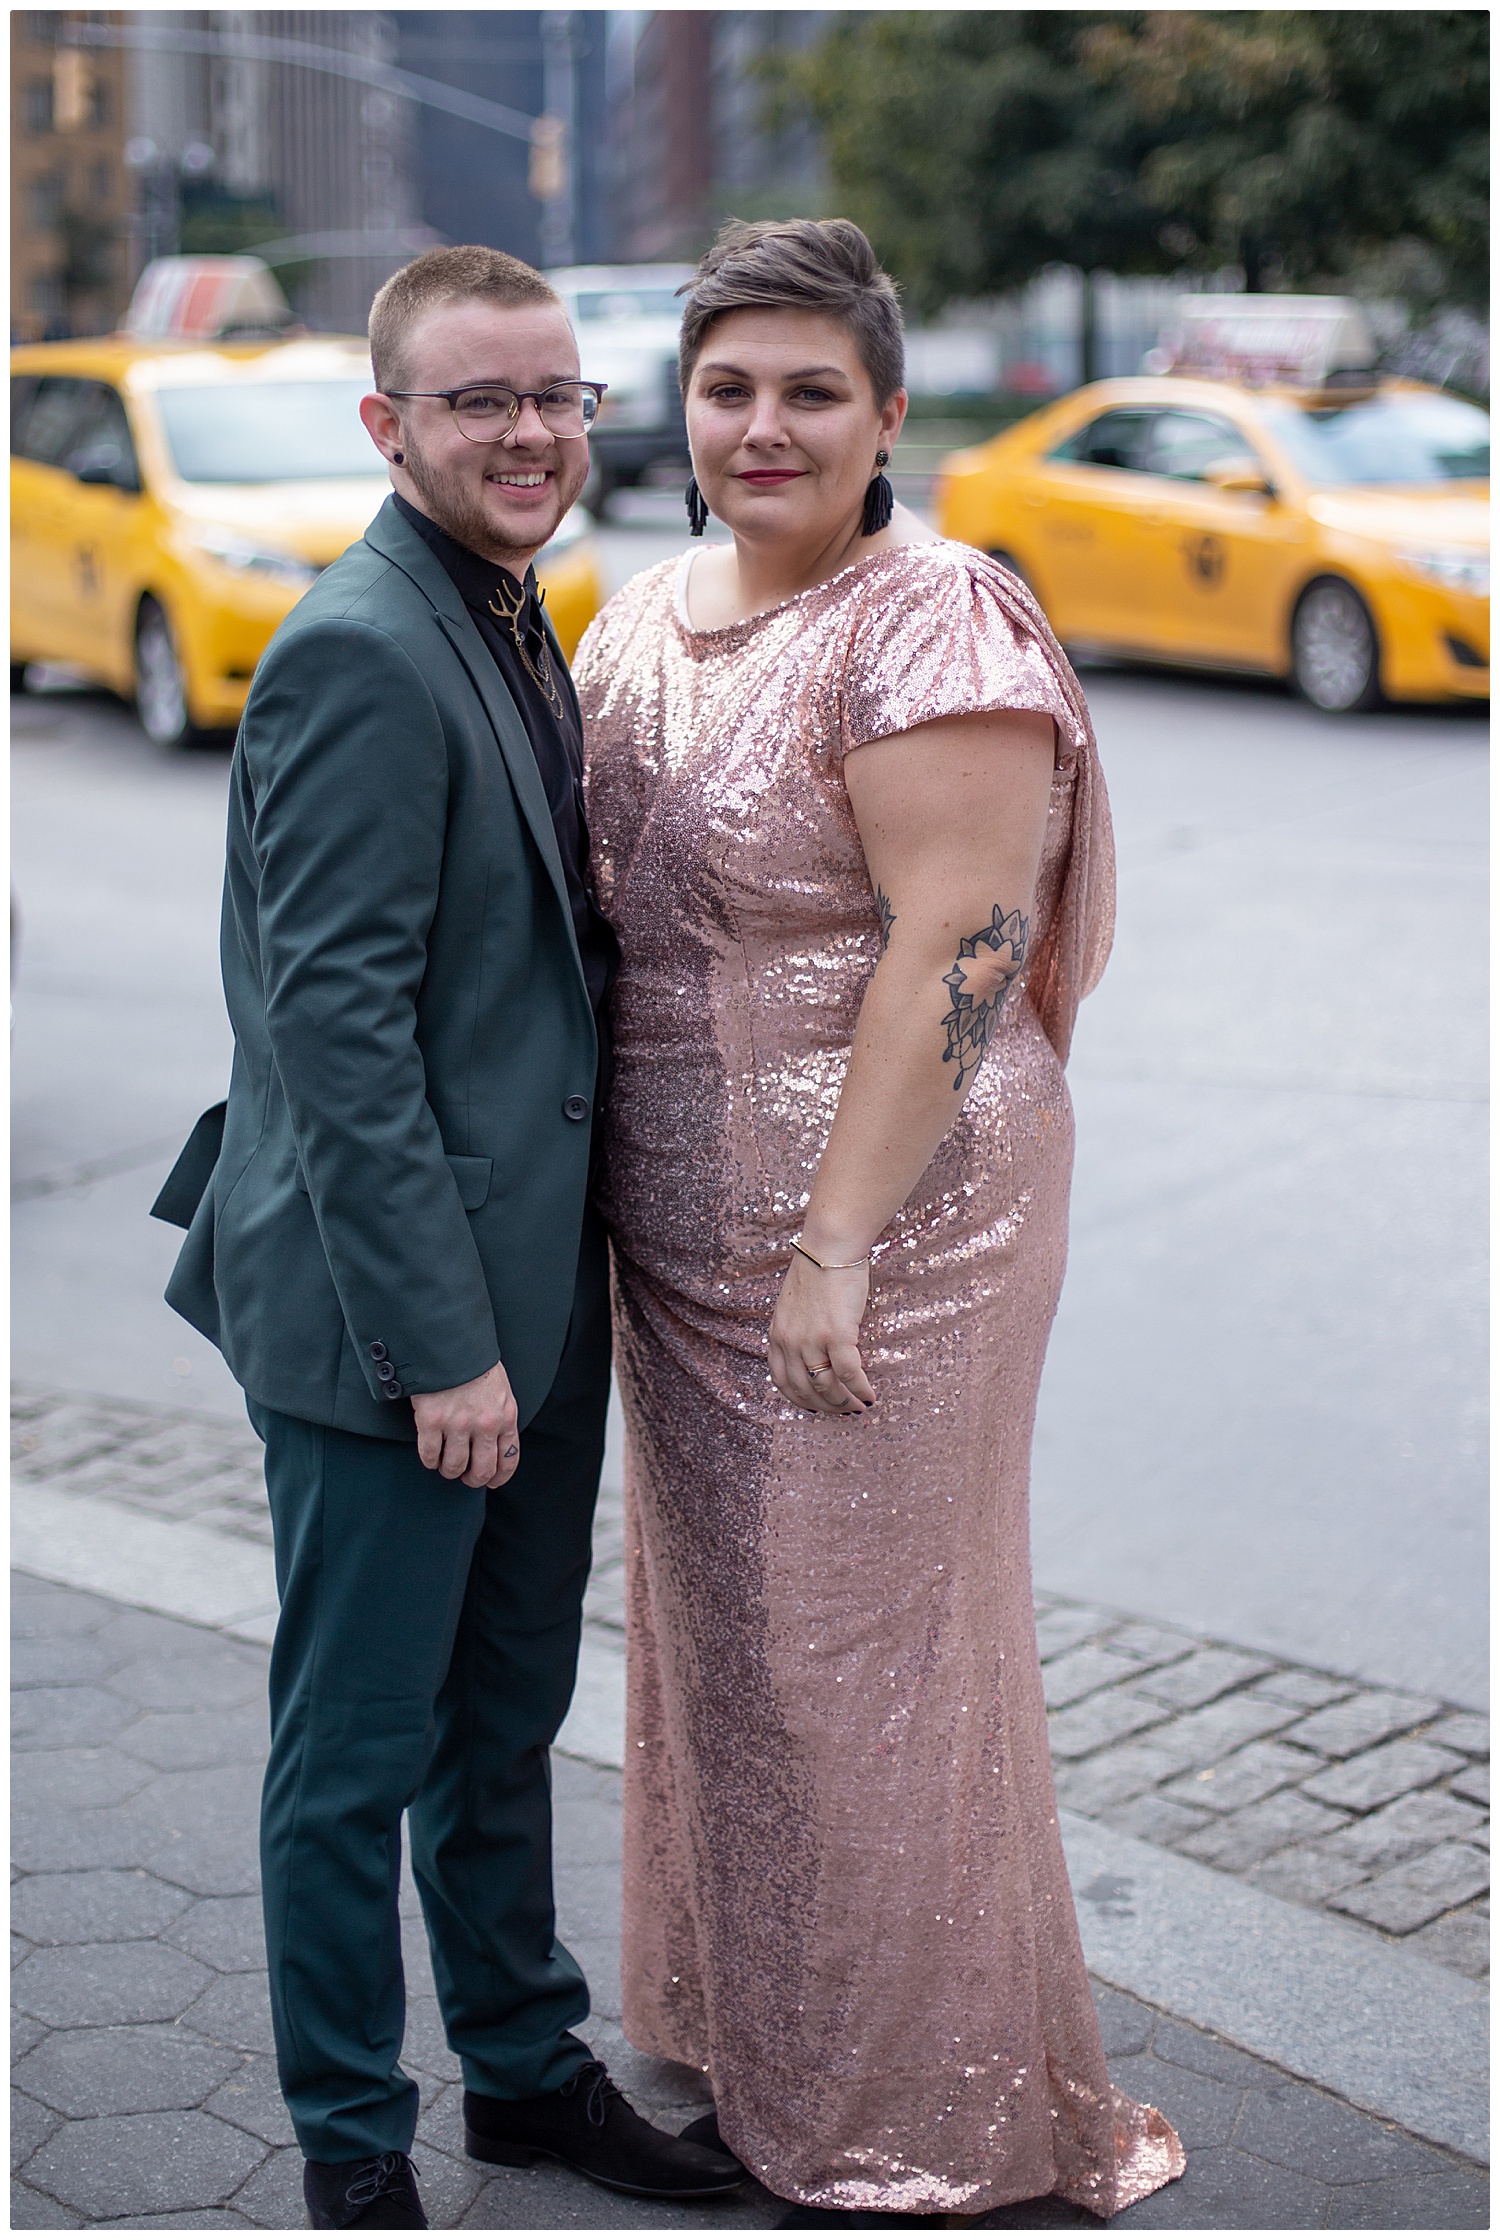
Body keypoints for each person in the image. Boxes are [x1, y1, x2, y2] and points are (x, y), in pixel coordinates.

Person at [574, 218, 1186, 2225]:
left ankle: (928, 2103)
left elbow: (967, 934)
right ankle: (757, 2024)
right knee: (726, 1641)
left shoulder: (940, 621)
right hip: (677, 1243)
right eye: (731, 385)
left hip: (893, 1227)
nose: (763, 424)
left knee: (861, 1652)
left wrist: (834, 1238)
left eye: (809, 390)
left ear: (888, 415)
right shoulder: (641, 611)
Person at [157, 245, 743, 2231]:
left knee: (499, 1726)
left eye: (555, 395)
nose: (529, 431)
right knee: (351, 1755)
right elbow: (330, 1032)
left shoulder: (504, 608)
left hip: (527, 1300)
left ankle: (518, 2072)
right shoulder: (358, 645)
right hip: (390, 1328)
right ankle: (348, 2148)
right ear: (388, 424)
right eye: (480, 400)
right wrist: (447, 1348)